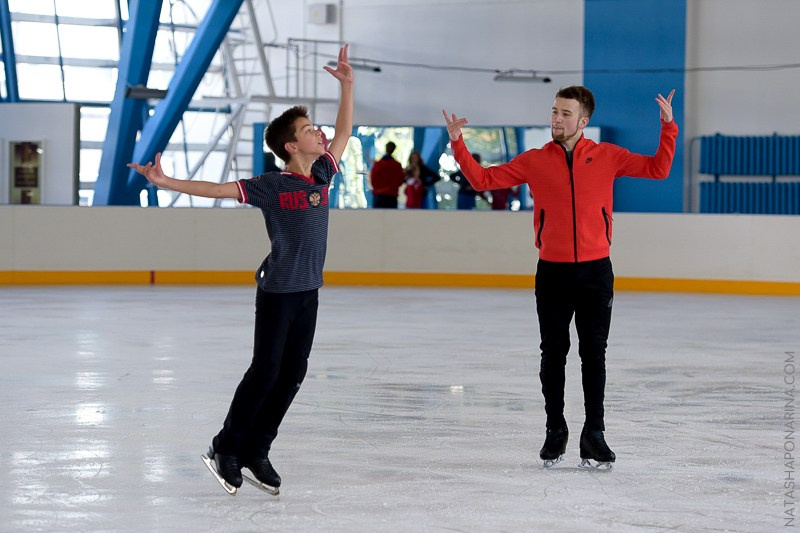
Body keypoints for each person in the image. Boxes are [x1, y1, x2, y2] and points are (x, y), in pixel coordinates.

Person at [128, 44, 353, 494]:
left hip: (308, 290)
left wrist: (347, 86)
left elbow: (345, 131)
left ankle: (257, 450)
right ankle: (225, 446)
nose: (321, 134)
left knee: (293, 373)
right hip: (277, 292)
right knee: (266, 370)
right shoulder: (269, 185)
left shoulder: (323, 175)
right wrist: (166, 181)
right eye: (310, 130)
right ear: (292, 146)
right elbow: (215, 188)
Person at [443, 86, 677, 469]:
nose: (556, 118)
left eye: (565, 113)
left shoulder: (607, 157)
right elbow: (484, 180)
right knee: (553, 354)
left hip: (596, 271)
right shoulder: (535, 160)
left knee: (593, 355)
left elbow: (658, 168)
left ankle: (594, 433)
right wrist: (458, 144)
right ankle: (555, 429)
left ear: (583, 121)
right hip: (552, 271)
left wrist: (667, 128)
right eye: (554, 111)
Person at [369, 141, 406, 208]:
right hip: (392, 196)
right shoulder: (397, 165)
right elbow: (401, 180)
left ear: (386, 149)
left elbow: (373, 180)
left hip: (379, 195)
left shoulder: (378, 164)